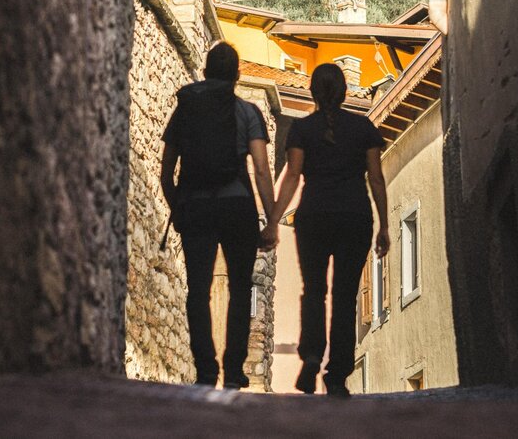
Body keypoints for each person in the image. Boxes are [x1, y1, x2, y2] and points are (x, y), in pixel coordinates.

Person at [262, 63, 389, 398]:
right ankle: (337, 376)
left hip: (314, 216)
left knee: (314, 290)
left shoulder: (302, 129)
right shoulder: (363, 129)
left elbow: (292, 176)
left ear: (313, 93)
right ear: (345, 92)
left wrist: (273, 221)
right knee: (345, 297)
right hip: (355, 216)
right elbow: (376, 178)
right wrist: (385, 225)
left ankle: (312, 355)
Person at [161, 42, 277, 389]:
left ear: (205, 71)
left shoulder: (185, 110)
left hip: (195, 206)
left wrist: (178, 207)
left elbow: (166, 172)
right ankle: (234, 370)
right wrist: (272, 220)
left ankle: (206, 370)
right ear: (237, 76)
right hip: (237, 207)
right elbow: (261, 170)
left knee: (198, 289)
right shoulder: (248, 113)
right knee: (240, 288)